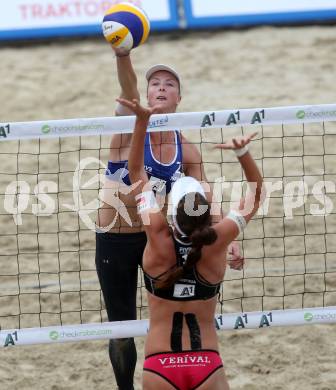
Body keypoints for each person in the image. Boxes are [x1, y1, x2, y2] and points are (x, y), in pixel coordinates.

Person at [95, 49, 243, 390]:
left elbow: (206, 199)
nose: (161, 88)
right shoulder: (125, 130)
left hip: (159, 241)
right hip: (115, 240)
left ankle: (178, 373)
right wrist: (122, 55)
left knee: (171, 317)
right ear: (146, 95)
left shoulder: (187, 149)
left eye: (169, 84)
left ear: (179, 96)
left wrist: (227, 240)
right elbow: (127, 89)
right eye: (155, 84)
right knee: (120, 331)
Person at [118, 97, 264, 390]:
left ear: (171, 215)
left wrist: (142, 123)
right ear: (207, 215)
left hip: (159, 365)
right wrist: (243, 153)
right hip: (206, 363)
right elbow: (255, 195)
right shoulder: (217, 241)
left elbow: (135, 172)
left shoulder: (158, 235)